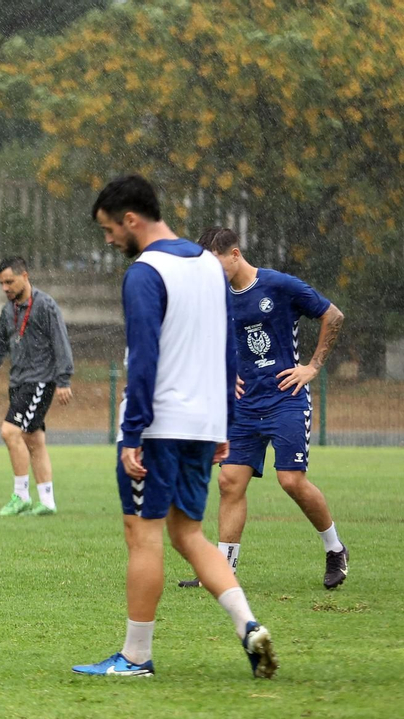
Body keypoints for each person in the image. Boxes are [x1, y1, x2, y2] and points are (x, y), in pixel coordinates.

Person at [76, 174, 276, 679]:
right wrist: (225, 425)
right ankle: (248, 625)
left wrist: (132, 432)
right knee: (189, 532)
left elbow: (144, 357)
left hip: (160, 426)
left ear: (130, 219)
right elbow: (229, 348)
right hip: (204, 425)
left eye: (108, 230)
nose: (108, 241)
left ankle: (136, 657)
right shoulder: (211, 266)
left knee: (142, 536)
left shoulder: (145, 272)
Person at [177, 227, 348, 590]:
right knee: (229, 482)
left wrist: (312, 367)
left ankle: (335, 549)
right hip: (244, 406)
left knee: (291, 481)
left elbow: (333, 316)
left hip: (285, 398)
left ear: (235, 254)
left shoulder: (280, 285)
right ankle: (223, 569)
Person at [0, 256, 75, 516]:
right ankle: (47, 501)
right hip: (18, 381)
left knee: (10, 432)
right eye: (1, 283)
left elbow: (60, 342)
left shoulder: (45, 306)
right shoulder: (8, 311)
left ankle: (21, 496)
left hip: (40, 381)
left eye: (9, 281)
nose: (5, 288)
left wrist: (64, 379)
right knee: (34, 439)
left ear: (25, 276)